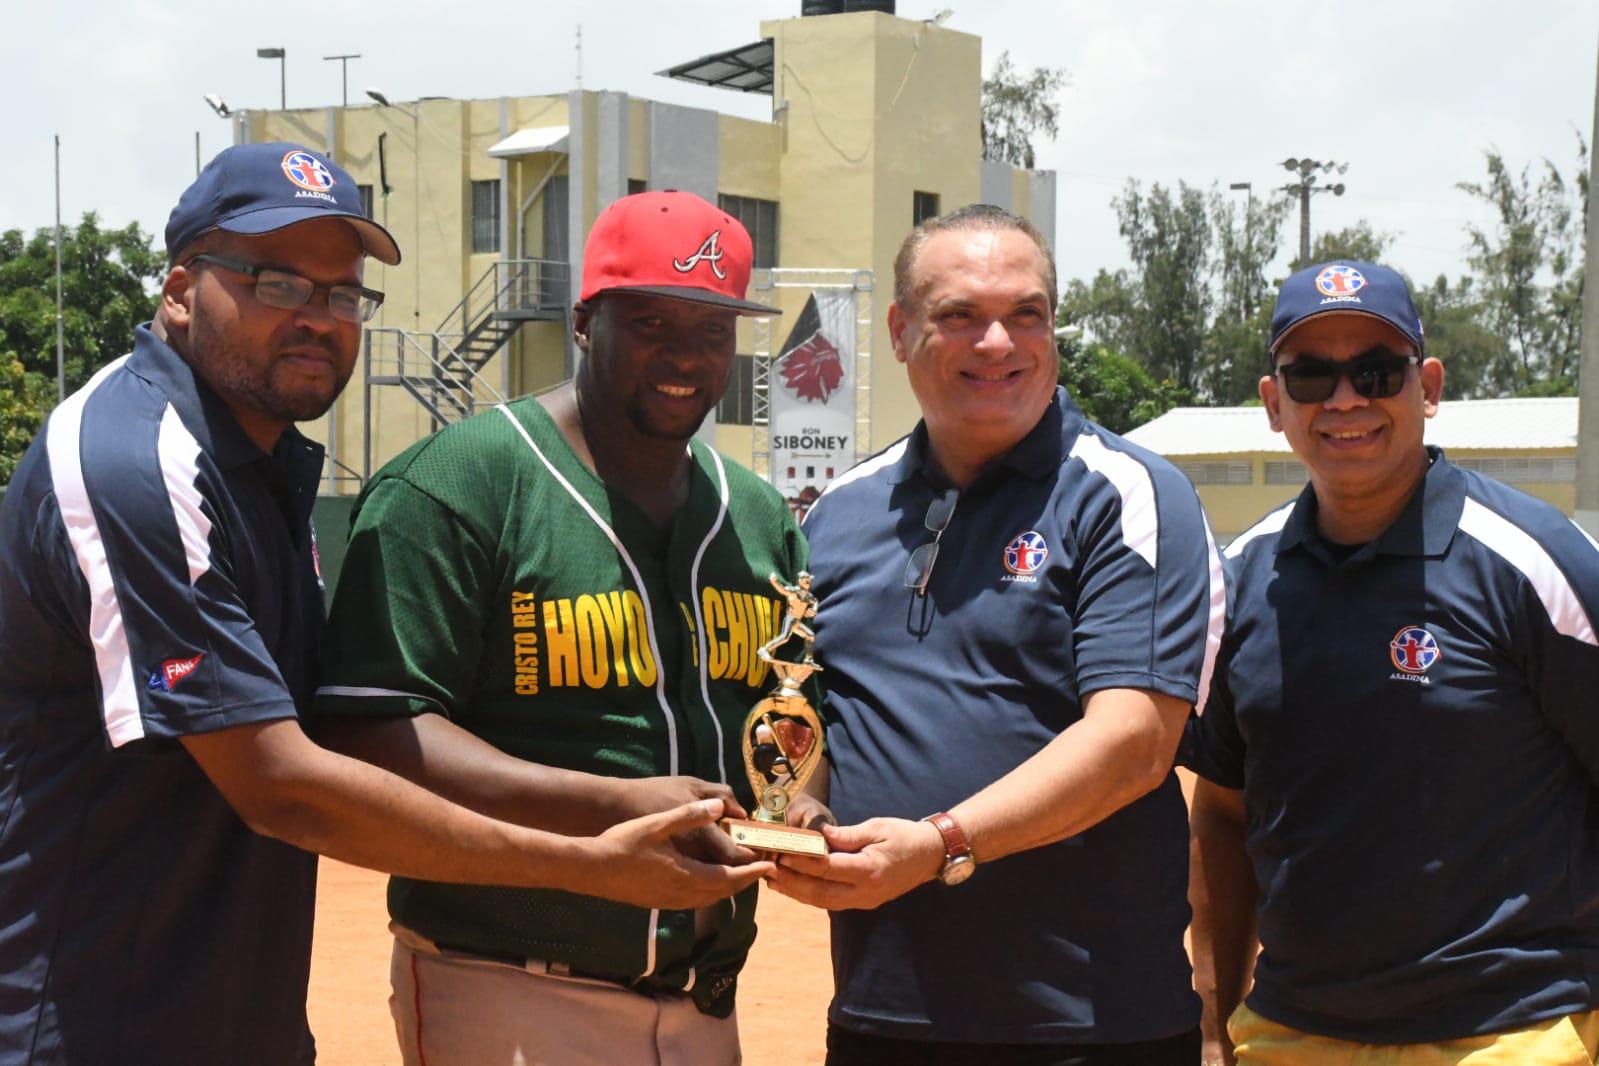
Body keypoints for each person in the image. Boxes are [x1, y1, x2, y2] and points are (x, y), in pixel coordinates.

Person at [0, 145, 768, 1065]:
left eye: (341, 294)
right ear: (178, 289)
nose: (319, 321)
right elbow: (281, 783)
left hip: (229, 1008)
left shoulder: (256, 464)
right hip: (91, 1016)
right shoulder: (134, 459)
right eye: (276, 283)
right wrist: (589, 858)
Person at [312, 190, 808, 1065]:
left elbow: (790, 713)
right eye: (652, 322)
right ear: (585, 323)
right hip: (507, 984)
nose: (684, 357)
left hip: (705, 998)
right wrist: (605, 804)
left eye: (711, 329)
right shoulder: (459, 485)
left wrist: (797, 802)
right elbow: (370, 732)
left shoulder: (758, 516)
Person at [771, 203, 1226, 1064]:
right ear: (901, 332)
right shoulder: (837, 514)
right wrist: (797, 804)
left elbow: (1133, 741)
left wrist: (941, 844)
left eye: (1026, 315)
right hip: (880, 1017)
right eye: (959, 317)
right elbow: (817, 711)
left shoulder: (1125, 494)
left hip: (1088, 1027)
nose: (997, 343)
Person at [1185, 260, 1599, 1065]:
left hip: (1513, 1034)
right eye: (1310, 375)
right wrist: (1213, 1024)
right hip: (1293, 1034)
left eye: (1376, 370)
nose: (1344, 400)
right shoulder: (1241, 581)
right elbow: (1223, 812)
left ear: (1428, 386)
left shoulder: (1537, 564)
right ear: (1274, 404)